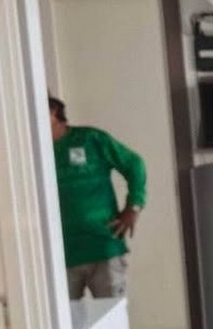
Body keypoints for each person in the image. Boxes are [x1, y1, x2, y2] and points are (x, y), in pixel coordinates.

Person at [49, 96, 147, 299]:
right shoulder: (32, 152)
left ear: (53, 113)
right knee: (65, 317)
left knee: (112, 313)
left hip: (103, 245)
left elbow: (134, 164)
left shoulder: (90, 139)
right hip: (59, 252)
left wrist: (134, 206)